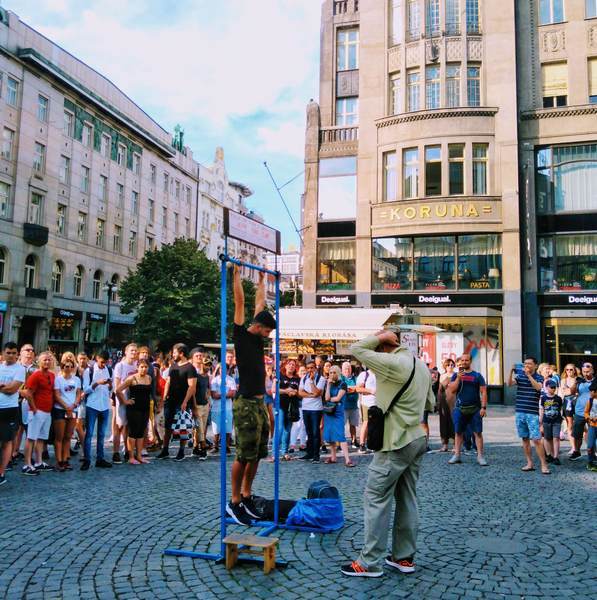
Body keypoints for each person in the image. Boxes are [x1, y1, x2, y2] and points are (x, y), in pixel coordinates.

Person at [341, 329, 435, 578]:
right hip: (416, 437)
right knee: (407, 498)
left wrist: (380, 337)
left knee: (376, 498)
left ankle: (369, 562)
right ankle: (403, 558)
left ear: (385, 346)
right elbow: (430, 403)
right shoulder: (421, 365)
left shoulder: (393, 362)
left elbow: (357, 349)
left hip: (395, 441)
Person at [226, 264, 276, 526]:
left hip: (259, 402)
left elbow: (260, 303)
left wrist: (260, 280)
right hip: (245, 402)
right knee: (243, 454)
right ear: (258, 327)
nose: (269, 337)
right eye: (268, 331)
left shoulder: (258, 339)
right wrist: (235, 275)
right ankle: (234, 501)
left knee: (257, 453)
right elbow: (241, 302)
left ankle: (246, 495)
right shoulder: (242, 336)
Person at [508, 357, 550, 475]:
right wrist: (511, 371)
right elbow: (509, 384)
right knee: (524, 438)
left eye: (529, 364)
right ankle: (529, 463)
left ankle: (544, 464)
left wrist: (529, 376)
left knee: (536, 439)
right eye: (525, 363)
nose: (527, 365)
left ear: (535, 366)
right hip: (520, 411)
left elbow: (538, 387)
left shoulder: (539, 377)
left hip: (532, 413)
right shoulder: (520, 376)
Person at [447, 353, 489, 467]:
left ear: (470, 361)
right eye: (462, 360)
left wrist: (483, 407)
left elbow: (484, 392)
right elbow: (452, 390)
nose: (464, 362)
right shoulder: (456, 375)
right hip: (460, 408)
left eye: (466, 360)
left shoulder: (477, 376)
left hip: (475, 409)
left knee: (478, 433)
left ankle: (480, 456)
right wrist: (459, 379)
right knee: (458, 432)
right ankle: (457, 455)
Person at [157, 343, 197, 462]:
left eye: (174, 353)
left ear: (181, 353)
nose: (172, 355)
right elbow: (168, 381)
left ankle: (181, 451)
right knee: (168, 425)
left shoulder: (190, 368)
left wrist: (185, 402)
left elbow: (192, 387)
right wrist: (164, 396)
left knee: (182, 426)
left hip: (182, 401)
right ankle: (165, 450)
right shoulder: (173, 366)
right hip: (171, 400)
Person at [22, 351, 56, 474]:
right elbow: (27, 393)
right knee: (31, 437)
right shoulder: (36, 375)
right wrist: (34, 408)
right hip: (37, 411)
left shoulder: (52, 375)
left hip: (47, 411)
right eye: (44, 360)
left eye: (49, 359)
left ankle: (38, 461)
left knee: (41, 438)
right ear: (39, 361)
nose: (47, 362)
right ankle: (26, 464)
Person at [116, 358, 152, 465]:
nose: (144, 369)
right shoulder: (132, 378)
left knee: (141, 432)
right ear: (137, 367)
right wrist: (125, 401)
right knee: (133, 432)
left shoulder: (149, 378)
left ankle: (139, 456)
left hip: (145, 408)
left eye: (146, 367)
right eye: (141, 367)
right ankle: (131, 457)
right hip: (134, 409)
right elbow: (118, 390)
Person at [81, 351, 113, 470]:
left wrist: (110, 385)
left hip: (104, 405)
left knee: (102, 434)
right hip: (92, 405)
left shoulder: (109, 370)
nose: (103, 364)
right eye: (101, 362)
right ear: (97, 358)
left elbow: (111, 389)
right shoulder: (88, 371)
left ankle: (100, 459)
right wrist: (96, 384)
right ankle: (87, 460)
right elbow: (85, 390)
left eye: (105, 362)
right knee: (89, 434)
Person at [0, 342, 26, 486]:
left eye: (13, 353)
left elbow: (13, 389)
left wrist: (5, 387)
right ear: (3, 353)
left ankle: (1, 472)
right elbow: (8, 387)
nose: (11, 355)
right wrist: (5, 387)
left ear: (17, 355)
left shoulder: (20, 369)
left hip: (9, 409)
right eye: (8, 352)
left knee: (7, 441)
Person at [52, 356, 82, 471]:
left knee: (68, 436)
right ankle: (59, 460)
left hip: (73, 409)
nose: (68, 368)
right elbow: (57, 395)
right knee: (59, 437)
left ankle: (65, 460)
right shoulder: (58, 379)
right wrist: (66, 407)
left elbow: (79, 393)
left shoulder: (77, 380)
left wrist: (74, 405)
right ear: (62, 367)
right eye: (66, 366)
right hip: (60, 409)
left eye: (70, 366)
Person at [323, 365, 354, 467]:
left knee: (341, 435)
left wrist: (329, 399)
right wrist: (328, 385)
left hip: (338, 412)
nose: (332, 375)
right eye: (330, 373)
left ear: (338, 373)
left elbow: (337, 398)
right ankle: (333, 457)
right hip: (329, 412)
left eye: (334, 372)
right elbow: (326, 397)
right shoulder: (329, 384)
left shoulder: (343, 384)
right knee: (330, 435)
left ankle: (347, 459)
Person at [112, 343, 138, 464]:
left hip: (132, 398)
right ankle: (116, 452)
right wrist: (124, 401)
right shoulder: (120, 366)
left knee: (128, 427)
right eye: (131, 351)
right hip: (121, 398)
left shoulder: (136, 366)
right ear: (126, 352)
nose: (134, 353)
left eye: (135, 351)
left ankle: (128, 451)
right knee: (119, 426)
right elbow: (117, 387)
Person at [299, 360, 326, 463]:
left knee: (315, 432)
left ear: (315, 368)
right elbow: (300, 392)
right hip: (306, 408)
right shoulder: (303, 378)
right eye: (308, 368)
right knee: (309, 432)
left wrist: (311, 382)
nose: (310, 370)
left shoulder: (321, 379)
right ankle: (309, 453)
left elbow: (317, 393)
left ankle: (316, 455)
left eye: (312, 368)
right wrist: (311, 395)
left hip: (316, 409)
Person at [569, 362, 594, 461]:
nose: (586, 374)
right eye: (584, 372)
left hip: (593, 411)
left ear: (592, 370)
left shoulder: (595, 381)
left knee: (593, 433)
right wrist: (576, 382)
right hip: (579, 411)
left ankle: (592, 453)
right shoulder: (580, 381)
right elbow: (571, 392)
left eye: (588, 372)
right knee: (577, 433)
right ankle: (577, 451)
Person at [210, 364, 236, 454]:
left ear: (228, 370)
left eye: (224, 369)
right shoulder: (214, 380)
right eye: (220, 368)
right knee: (216, 428)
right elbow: (213, 395)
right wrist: (225, 394)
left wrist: (220, 395)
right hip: (216, 407)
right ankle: (215, 446)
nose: (222, 370)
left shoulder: (231, 380)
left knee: (228, 428)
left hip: (228, 408)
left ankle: (226, 446)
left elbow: (232, 393)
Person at [278, 359, 301, 461]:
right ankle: (274, 452)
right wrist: (286, 391)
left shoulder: (297, 379)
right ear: (285, 366)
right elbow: (275, 389)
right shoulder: (280, 376)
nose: (291, 366)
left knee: (287, 430)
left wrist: (295, 392)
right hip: (280, 405)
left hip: (292, 407)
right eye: (289, 364)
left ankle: (284, 452)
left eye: (293, 365)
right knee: (279, 429)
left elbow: (301, 392)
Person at [191, 349, 210, 460]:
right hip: (197, 404)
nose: (199, 358)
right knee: (200, 428)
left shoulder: (206, 376)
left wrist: (208, 399)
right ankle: (203, 448)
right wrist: (193, 405)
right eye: (197, 356)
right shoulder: (193, 373)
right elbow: (192, 390)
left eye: (200, 356)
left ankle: (195, 448)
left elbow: (207, 389)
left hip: (205, 404)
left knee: (200, 427)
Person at [539, 379, 563, 465]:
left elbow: (560, 409)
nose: (553, 389)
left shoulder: (558, 398)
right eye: (551, 387)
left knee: (556, 437)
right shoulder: (543, 398)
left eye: (554, 387)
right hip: (546, 420)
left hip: (556, 420)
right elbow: (542, 410)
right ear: (546, 387)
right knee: (547, 438)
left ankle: (556, 456)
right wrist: (540, 422)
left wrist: (561, 420)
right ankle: (549, 455)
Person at [356, 365, 376, 454]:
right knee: (366, 422)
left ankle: (373, 444)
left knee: (376, 425)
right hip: (367, 403)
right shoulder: (365, 374)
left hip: (378, 403)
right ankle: (362, 444)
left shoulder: (380, 374)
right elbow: (358, 389)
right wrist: (371, 391)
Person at [559, 363, 578, 452]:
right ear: (565, 371)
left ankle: (592, 448)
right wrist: (573, 392)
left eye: (571, 369)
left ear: (575, 370)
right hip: (567, 404)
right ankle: (573, 447)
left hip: (578, 404)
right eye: (567, 369)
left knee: (584, 426)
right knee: (570, 425)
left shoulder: (578, 380)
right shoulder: (563, 380)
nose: (569, 371)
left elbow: (569, 391)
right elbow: (565, 393)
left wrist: (569, 391)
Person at [437, 358, 456, 452]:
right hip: (443, 401)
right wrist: (438, 403)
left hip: (454, 401)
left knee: (454, 422)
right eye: (448, 365)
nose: (450, 366)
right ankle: (444, 444)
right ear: (445, 366)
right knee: (443, 422)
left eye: (452, 365)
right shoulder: (441, 376)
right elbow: (439, 391)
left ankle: (454, 445)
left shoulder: (456, 376)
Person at [74, 352, 89, 456]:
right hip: (75, 399)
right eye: (80, 358)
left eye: (84, 358)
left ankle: (82, 443)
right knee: (78, 423)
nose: (82, 360)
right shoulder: (74, 370)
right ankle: (81, 442)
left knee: (84, 423)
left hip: (87, 399)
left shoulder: (90, 370)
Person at [341, 362, 359, 449]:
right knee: (341, 426)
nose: (347, 370)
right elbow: (343, 390)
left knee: (353, 425)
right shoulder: (341, 378)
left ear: (351, 369)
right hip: (343, 406)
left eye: (348, 368)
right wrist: (353, 389)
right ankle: (340, 443)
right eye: (345, 368)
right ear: (342, 370)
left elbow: (358, 388)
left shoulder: (355, 378)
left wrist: (349, 389)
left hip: (354, 406)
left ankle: (354, 441)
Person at [290, 364, 307, 452]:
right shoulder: (296, 381)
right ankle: (292, 444)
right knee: (297, 425)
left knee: (304, 425)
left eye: (304, 371)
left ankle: (303, 443)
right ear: (298, 372)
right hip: (297, 404)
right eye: (301, 371)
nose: (303, 372)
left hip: (306, 404)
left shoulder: (308, 380)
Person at [584, 381, 597, 471]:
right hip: (592, 426)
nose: (590, 393)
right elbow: (586, 412)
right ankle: (590, 462)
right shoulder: (590, 400)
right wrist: (589, 417)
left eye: (591, 391)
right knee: (590, 445)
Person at [264, 361, 276, 443]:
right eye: (267, 369)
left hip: (271, 399)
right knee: (267, 418)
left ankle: (272, 436)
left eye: (270, 369)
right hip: (265, 398)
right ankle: (266, 436)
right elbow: (267, 391)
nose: (269, 371)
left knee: (272, 419)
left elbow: (275, 389)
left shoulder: (273, 379)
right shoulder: (263, 378)